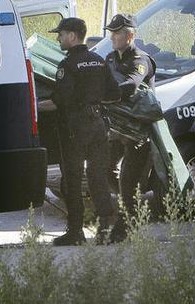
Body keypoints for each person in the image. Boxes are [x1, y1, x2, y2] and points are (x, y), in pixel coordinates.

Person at [37, 17, 119, 246]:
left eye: (61, 34)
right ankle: (105, 230)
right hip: (99, 126)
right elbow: (114, 94)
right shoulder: (98, 60)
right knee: (98, 179)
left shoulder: (67, 65)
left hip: (75, 129)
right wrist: (93, 98)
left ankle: (75, 233)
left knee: (72, 181)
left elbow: (60, 101)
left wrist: (33, 106)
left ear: (72, 36)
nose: (58, 38)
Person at [103, 14, 155, 243]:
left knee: (127, 180)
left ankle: (126, 226)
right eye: (111, 32)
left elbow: (131, 85)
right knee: (106, 170)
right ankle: (133, 204)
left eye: (117, 33)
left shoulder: (141, 60)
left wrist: (104, 94)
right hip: (115, 128)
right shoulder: (110, 58)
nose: (112, 37)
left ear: (130, 35)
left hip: (137, 132)